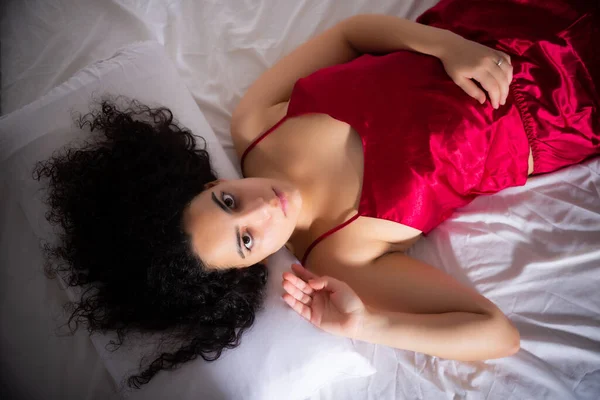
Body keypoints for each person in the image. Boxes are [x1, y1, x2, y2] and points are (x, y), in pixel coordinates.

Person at [35, 0, 599, 388]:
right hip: (566, 105)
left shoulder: (255, 124)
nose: (262, 206)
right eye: (248, 238)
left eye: (227, 201)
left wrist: (446, 45)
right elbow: (497, 336)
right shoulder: (342, 258)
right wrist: (363, 327)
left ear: (210, 183)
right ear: (248, 269)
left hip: (488, 22)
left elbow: (351, 35)